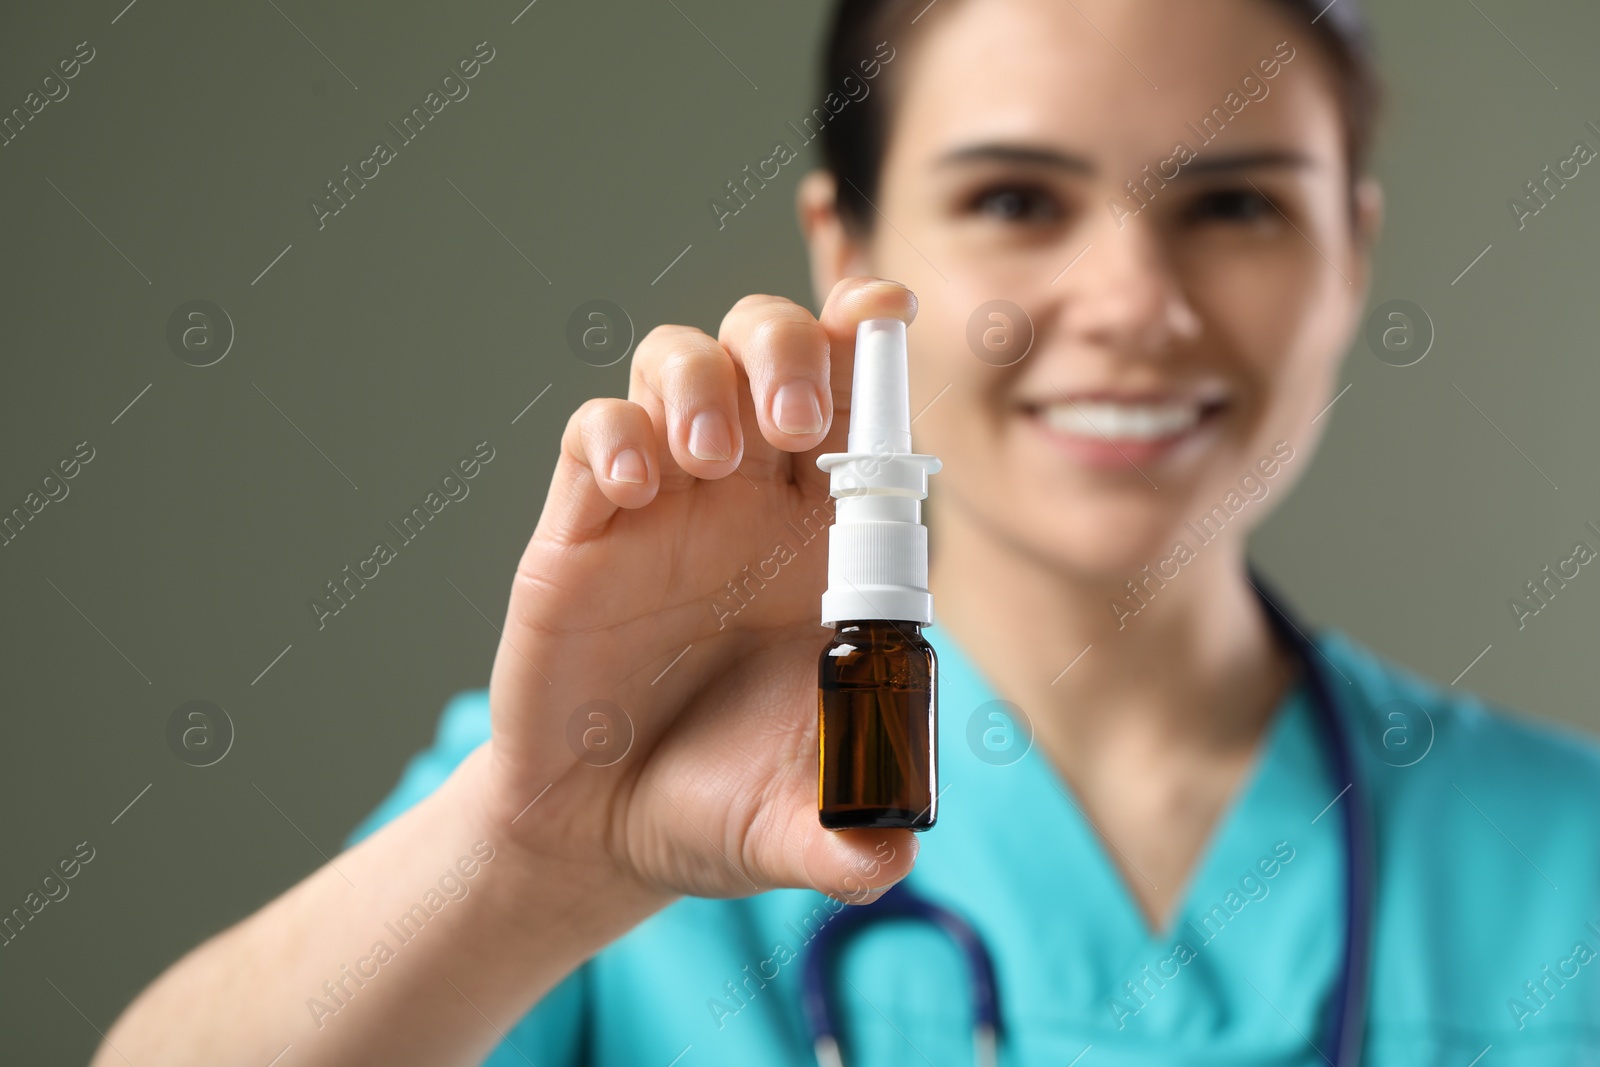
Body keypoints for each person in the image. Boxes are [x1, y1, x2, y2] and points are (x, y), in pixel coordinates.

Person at [98, 0, 1600, 1063]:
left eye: (1237, 206)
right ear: (852, 253)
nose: (1138, 303)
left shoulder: (1562, 868)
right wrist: (538, 866)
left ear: (1356, 251)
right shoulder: (610, 775)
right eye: (1017, 198)